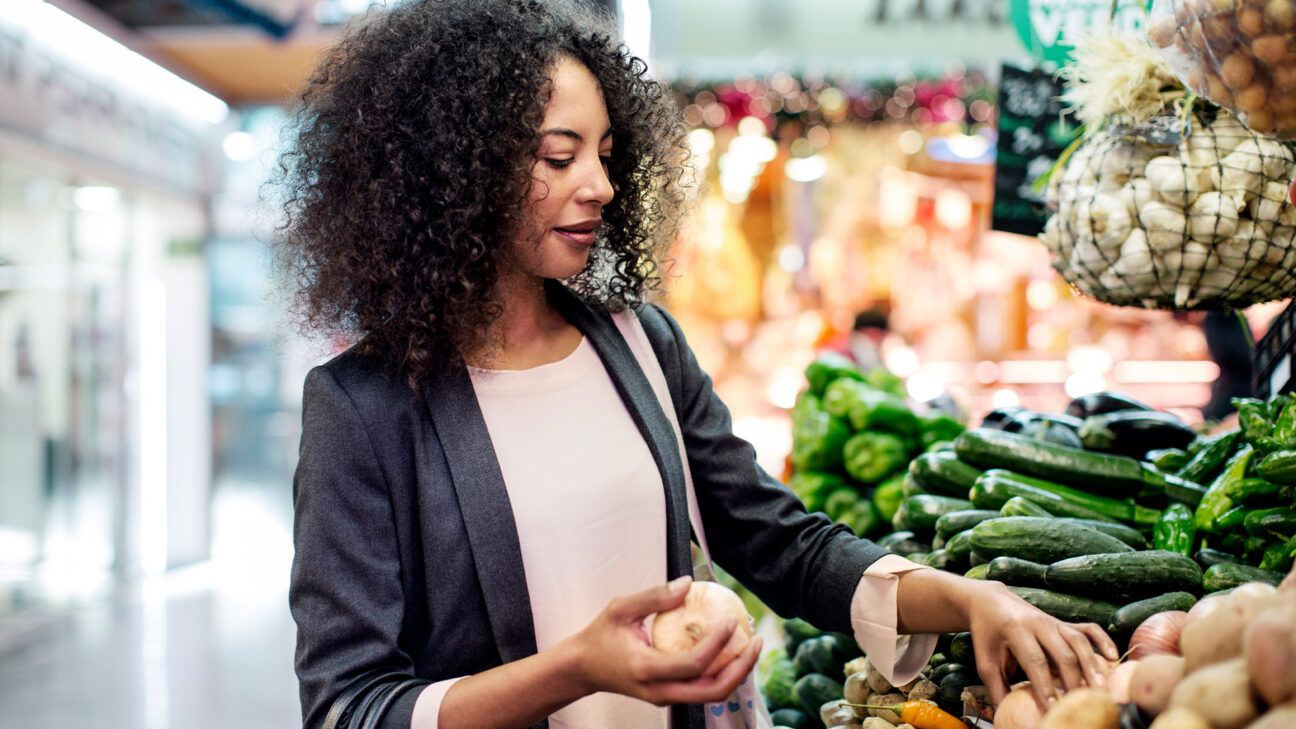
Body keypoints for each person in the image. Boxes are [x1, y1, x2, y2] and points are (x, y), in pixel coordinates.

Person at [278, 3, 1117, 729]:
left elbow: (782, 544)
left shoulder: (640, 343)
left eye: (606, 153)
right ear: (454, 172)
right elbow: (352, 703)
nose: (601, 185)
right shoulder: (365, 407)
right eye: (558, 155)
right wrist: (580, 667)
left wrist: (970, 597)